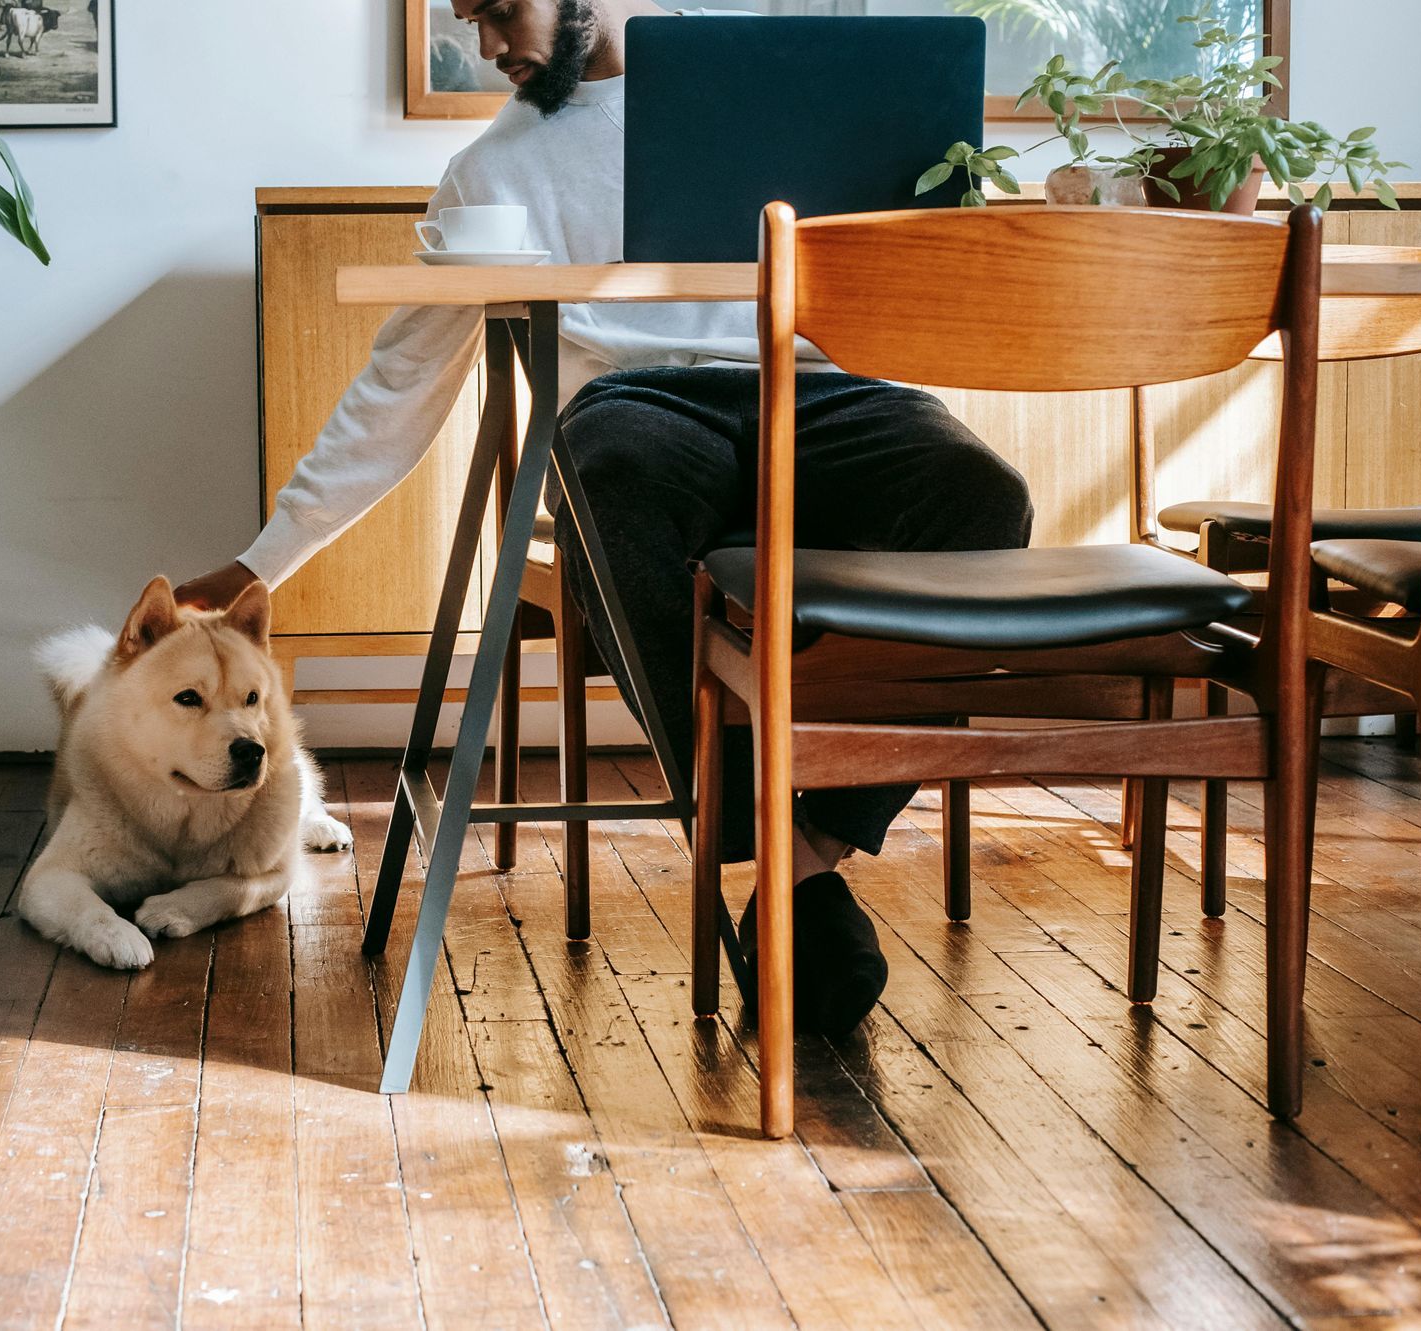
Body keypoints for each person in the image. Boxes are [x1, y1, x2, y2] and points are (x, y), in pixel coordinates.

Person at [177, 0, 1033, 1036]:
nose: (486, 46)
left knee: (986, 494)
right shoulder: (492, 172)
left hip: (833, 393)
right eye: (471, 20)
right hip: (643, 411)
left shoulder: (781, 91)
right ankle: (759, 829)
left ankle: (803, 853)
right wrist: (261, 561)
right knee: (608, 472)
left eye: (499, 10)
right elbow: (397, 394)